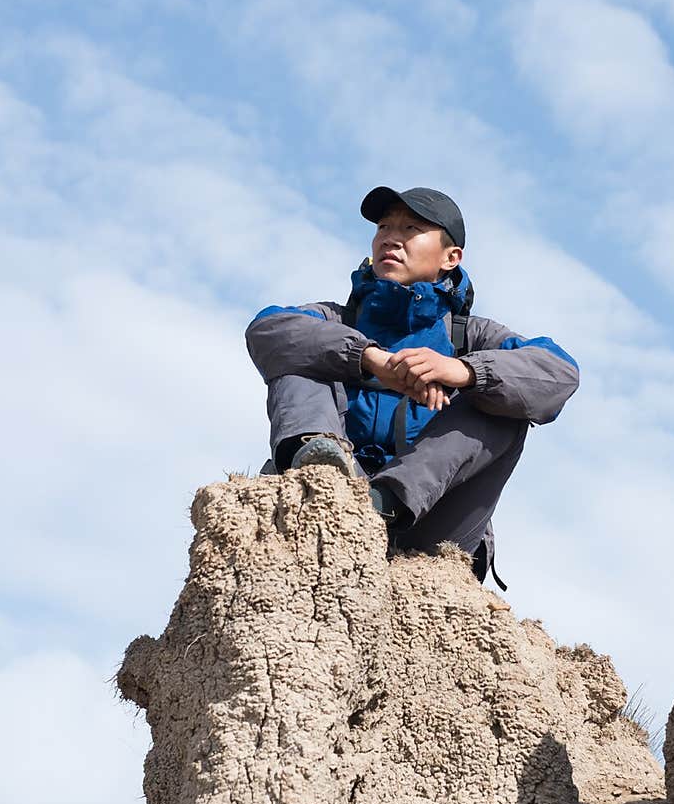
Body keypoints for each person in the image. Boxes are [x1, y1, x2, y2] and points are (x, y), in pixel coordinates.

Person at [245, 186, 579, 586]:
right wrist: (371, 359)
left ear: (450, 258)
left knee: (504, 399)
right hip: (318, 507)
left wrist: (464, 372)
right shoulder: (335, 319)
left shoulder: (470, 336)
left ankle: (382, 504)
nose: (391, 237)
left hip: (431, 536)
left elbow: (559, 372)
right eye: (384, 226)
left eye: (411, 228)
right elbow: (267, 329)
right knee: (303, 349)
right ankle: (322, 474)